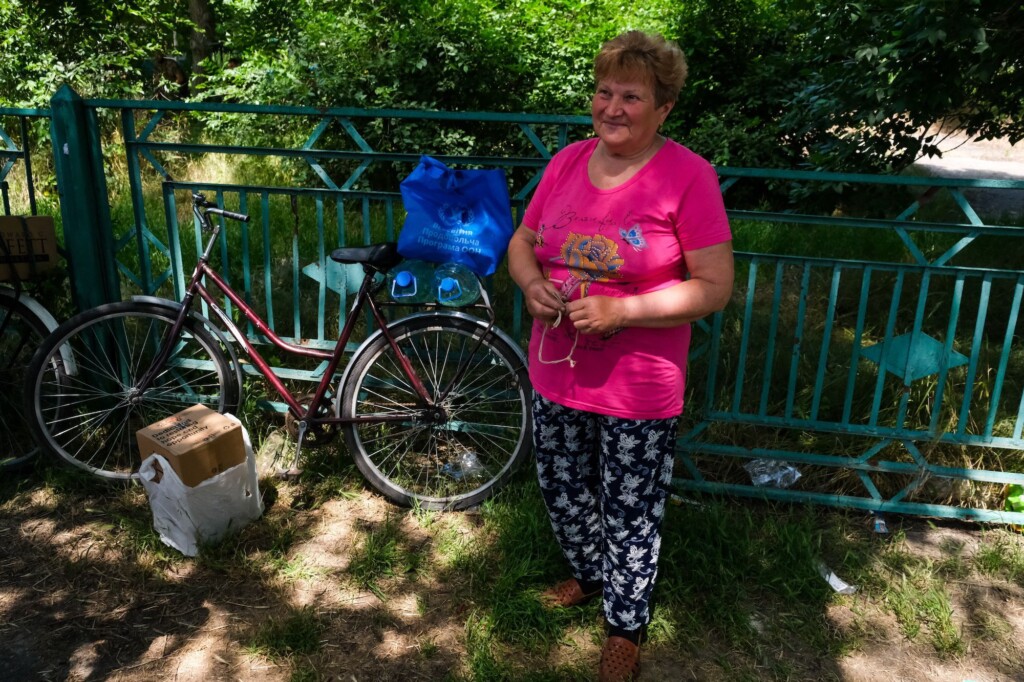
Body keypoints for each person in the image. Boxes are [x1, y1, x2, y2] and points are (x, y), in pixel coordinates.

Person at [507, 30, 734, 682]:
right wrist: (530, 285)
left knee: (630, 508)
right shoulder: (567, 162)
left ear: (663, 109)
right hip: (555, 367)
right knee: (558, 484)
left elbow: (715, 286)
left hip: (638, 384)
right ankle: (589, 573)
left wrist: (623, 310)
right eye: (604, 91)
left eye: (631, 96)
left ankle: (624, 627)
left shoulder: (687, 176)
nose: (612, 106)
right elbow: (524, 240)